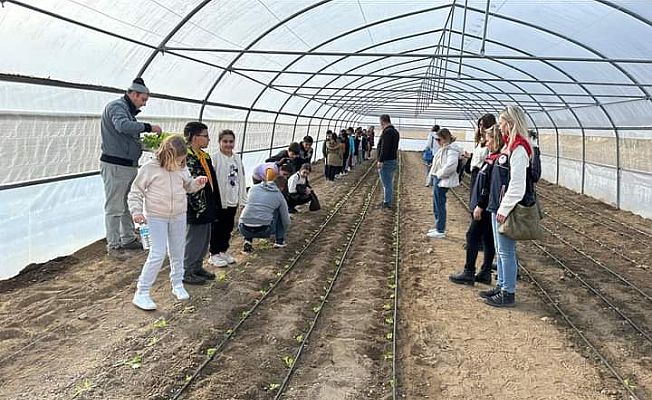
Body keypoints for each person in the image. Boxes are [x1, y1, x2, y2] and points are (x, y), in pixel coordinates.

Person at [128, 135, 207, 311]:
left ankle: (177, 284)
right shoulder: (150, 167)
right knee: (157, 253)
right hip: (156, 216)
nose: (180, 163)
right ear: (168, 155)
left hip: (178, 215)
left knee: (178, 250)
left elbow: (187, 186)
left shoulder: (182, 167)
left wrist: (197, 183)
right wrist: (137, 212)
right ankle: (142, 292)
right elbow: (136, 191)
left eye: (182, 160)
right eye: (177, 160)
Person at [100, 78, 162, 260]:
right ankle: (113, 245)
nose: (143, 104)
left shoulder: (128, 111)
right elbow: (122, 126)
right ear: (133, 94)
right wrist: (149, 127)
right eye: (142, 100)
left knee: (127, 203)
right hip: (116, 165)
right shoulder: (117, 107)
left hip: (127, 165)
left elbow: (129, 138)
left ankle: (127, 238)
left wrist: (151, 146)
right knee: (115, 206)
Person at [481, 105, 534, 308]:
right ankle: (501, 285)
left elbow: (517, 185)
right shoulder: (509, 146)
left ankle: (508, 292)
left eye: (502, 122)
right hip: (498, 205)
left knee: (506, 252)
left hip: (506, 209)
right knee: (499, 249)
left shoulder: (520, 148)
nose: (499, 126)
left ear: (510, 124)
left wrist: (504, 209)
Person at [449, 126, 503, 286]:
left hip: (486, 206)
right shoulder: (492, 156)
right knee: (487, 238)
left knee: (472, 236)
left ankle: (469, 272)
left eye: (489, 138)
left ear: (497, 139)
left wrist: (480, 205)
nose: (486, 142)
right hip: (487, 205)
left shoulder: (497, 159)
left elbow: (489, 186)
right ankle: (485, 272)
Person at [183, 122, 220, 285]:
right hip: (196, 205)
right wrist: (197, 204)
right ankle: (187, 270)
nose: (208, 139)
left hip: (208, 203)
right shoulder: (186, 156)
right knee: (194, 237)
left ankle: (197, 266)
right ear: (194, 137)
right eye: (205, 136)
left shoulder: (204, 156)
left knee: (205, 237)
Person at [209, 129, 247, 267]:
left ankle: (223, 251)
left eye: (231, 141)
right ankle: (214, 254)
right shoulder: (215, 158)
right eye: (225, 141)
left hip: (233, 198)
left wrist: (242, 198)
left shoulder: (236, 158)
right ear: (219, 142)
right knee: (217, 227)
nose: (228, 144)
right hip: (220, 200)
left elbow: (241, 178)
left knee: (228, 226)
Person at [238, 168, 291, 252]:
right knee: (279, 211)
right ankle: (279, 241)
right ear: (282, 187)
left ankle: (248, 240)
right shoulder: (279, 196)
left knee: (253, 209)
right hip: (264, 230)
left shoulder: (253, 188)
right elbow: (286, 220)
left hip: (243, 228)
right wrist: (284, 229)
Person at [426, 128, 463, 239]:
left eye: (439, 139)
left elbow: (451, 166)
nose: (437, 142)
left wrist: (439, 174)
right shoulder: (445, 148)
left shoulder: (451, 149)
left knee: (440, 204)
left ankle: (440, 230)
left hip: (442, 179)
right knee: (436, 203)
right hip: (439, 178)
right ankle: (438, 226)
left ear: (445, 138)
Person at [468, 114, 495, 194]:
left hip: (483, 174)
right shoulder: (479, 142)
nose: (481, 128)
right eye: (480, 125)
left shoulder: (491, 142)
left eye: (485, 126)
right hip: (475, 173)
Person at [377, 115, 400, 209]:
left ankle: (387, 202)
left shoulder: (387, 132)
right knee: (389, 182)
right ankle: (387, 201)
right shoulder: (395, 132)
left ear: (382, 121)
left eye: (380, 123)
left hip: (387, 161)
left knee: (387, 183)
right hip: (392, 159)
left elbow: (384, 148)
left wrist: (381, 160)